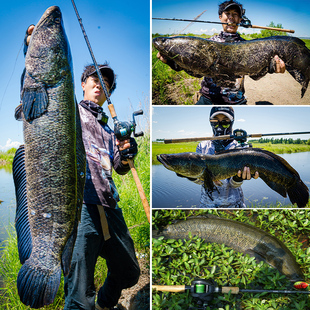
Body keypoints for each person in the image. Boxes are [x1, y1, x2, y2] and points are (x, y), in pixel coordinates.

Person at [25, 26, 140, 310]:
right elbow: (43, 99)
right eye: (94, 78)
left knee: (129, 272)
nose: (101, 84)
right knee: (78, 296)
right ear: (83, 84)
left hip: (109, 207)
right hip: (79, 210)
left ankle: (105, 304)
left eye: (107, 83)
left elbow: (120, 168)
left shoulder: (109, 130)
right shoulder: (68, 111)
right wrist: (34, 48)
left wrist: (127, 154)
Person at [157, 0, 286, 105]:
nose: (231, 17)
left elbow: (254, 75)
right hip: (208, 98)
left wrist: (271, 68)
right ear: (220, 17)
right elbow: (195, 72)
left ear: (240, 19)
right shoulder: (207, 43)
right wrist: (170, 62)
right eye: (227, 13)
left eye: (235, 14)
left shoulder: (247, 46)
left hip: (236, 101)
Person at [196, 106, 259, 207]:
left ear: (232, 122)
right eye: (215, 121)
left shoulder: (239, 147)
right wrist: (189, 175)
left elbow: (234, 185)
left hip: (234, 204)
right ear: (210, 121)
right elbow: (201, 181)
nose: (219, 125)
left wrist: (238, 179)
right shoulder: (202, 147)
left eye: (225, 122)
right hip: (207, 205)